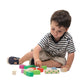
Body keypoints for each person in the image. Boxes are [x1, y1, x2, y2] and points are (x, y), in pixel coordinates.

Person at [8, 10, 75, 71]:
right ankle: (20, 60)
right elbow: (37, 48)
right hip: (45, 53)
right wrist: (37, 58)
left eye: (59, 31)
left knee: (60, 64)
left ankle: (39, 64)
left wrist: (68, 65)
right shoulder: (48, 36)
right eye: (53, 29)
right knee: (33, 53)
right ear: (50, 25)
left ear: (66, 30)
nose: (55, 33)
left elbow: (71, 53)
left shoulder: (68, 38)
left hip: (57, 58)